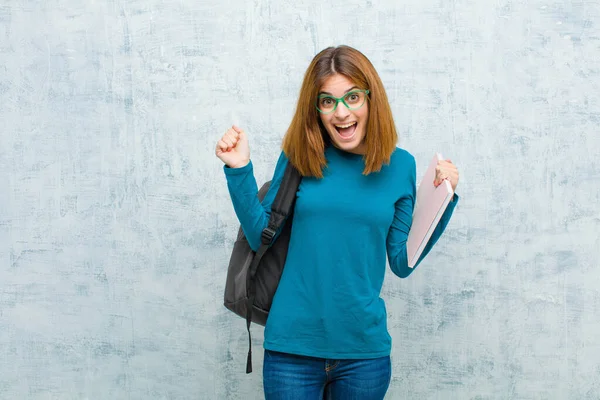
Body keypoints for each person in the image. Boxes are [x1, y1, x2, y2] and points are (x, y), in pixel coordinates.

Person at [215, 45, 460, 400]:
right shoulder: (299, 155)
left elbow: (402, 262)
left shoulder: (401, 166)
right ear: (316, 108)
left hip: (363, 355)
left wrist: (444, 199)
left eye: (352, 97)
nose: (341, 113)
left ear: (371, 99)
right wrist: (239, 171)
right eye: (327, 101)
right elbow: (260, 235)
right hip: (291, 351)